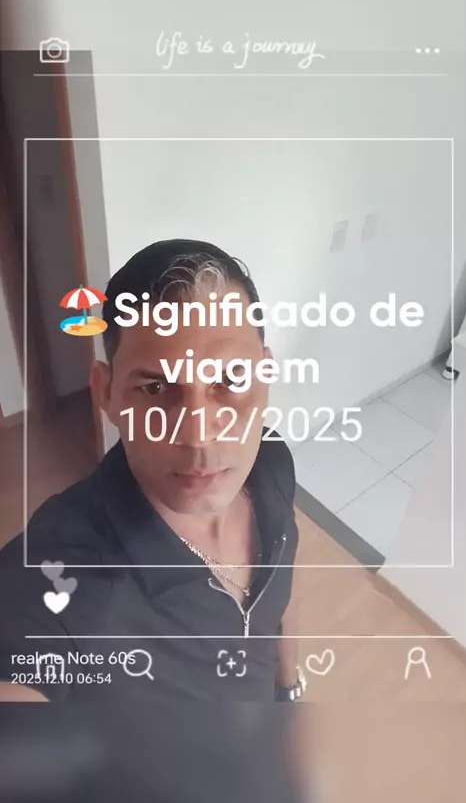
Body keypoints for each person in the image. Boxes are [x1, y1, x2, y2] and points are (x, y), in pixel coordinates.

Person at [0, 240, 309, 801]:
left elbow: (277, 607)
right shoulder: (60, 573)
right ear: (107, 393)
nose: (198, 436)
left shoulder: (271, 464)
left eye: (230, 381)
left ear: (265, 376)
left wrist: (289, 696)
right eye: (156, 388)